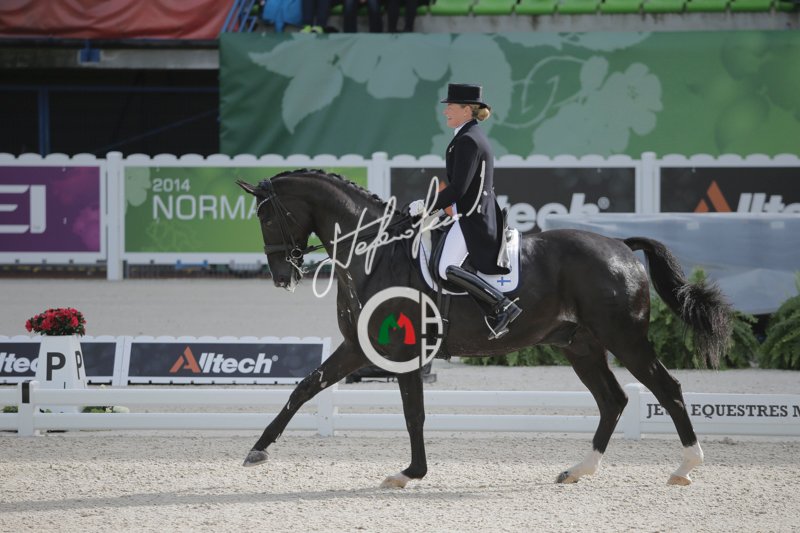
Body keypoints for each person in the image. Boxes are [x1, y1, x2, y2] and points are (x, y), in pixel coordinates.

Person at [408, 83, 522, 340]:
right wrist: (439, 211)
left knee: (445, 267)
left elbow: (459, 188)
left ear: (467, 110)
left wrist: (427, 205)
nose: (445, 111)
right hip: (467, 212)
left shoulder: (469, 140)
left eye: (450, 106)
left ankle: (501, 306)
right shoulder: (467, 136)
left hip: (474, 217)